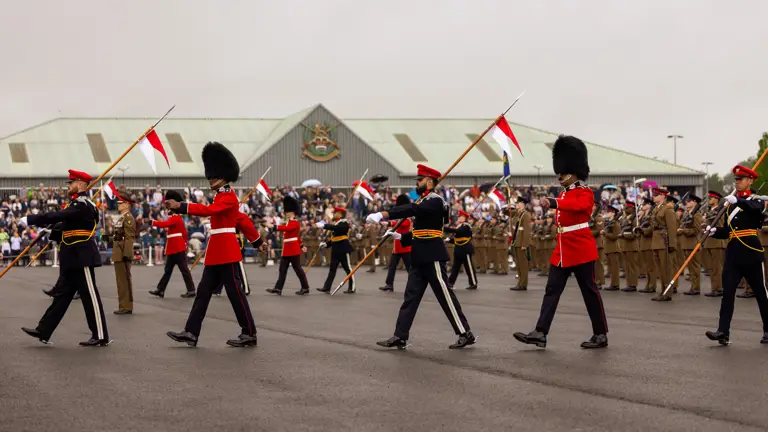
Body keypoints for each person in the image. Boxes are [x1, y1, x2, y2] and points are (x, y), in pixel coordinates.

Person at [164, 142, 266, 348]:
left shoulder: (227, 196)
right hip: (217, 251)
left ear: (222, 176)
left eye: (212, 175)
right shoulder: (222, 195)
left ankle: (249, 332)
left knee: (235, 293)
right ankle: (191, 332)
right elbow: (243, 220)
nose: (210, 179)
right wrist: (258, 242)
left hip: (226, 251)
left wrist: (181, 206)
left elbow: (208, 211)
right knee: (203, 292)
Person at [513, 135, 608, 349]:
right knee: (551, 290)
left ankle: (600, 333)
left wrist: (554, 202)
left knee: (589, 292)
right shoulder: (565, 194)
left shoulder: (584, 193)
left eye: (563, 172)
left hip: (581, 248)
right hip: (564, 249)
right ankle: (540, 332)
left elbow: (576, 206)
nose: (559, 176)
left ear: (574, 172)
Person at [367, 164, 475, 350]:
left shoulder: (435, 201)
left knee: (445, 296)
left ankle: (465, 333)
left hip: (432, 255)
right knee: (410, 297)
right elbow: (422, 229)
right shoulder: (424, 201)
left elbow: (414, 211)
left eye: (420, 180)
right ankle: (400, 336)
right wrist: (402, 237)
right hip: (419, 255)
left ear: (430, 181)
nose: (417, 183)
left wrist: (383, 214)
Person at [20, 169, 109, 346]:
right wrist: (52, 230)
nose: (69, 186)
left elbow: (60, 217)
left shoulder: (83, 205)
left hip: (82, 255)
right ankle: (43, 330)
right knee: (61, 296)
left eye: (72, 183)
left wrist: (32, 219)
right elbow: (66, 225)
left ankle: (100, 335)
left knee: (90, 296)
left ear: (82, 185)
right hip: (71, 257)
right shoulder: (75, 205)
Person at [704, 165, 768, 345]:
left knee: (761, 294)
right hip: (733, 253)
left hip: (752, 252)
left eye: (741, 179)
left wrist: (737, 202)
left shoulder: (758, 200)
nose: (737, 182)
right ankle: (723, 332)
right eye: (736, 180)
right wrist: (715, 231)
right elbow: (729, 231)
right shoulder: (730, 204)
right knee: (728, 293)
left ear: (750, 181)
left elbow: (755, 210)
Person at [149, 190, 196, 299]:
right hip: (173, 248)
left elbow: (165, 224)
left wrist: (153, 222)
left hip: (177, 248)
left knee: (184, 270)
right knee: (168, 271)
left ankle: (191, 290)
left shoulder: (176, 218)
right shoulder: (176, 218)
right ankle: (160, 290)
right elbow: (184, 233)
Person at [266, 196, 311, 296]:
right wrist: (302, 245)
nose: (286, 213)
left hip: (293, 250)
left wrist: (274, 227)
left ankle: (305, 287)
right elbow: (297, 237)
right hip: (287, 249)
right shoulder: (289, 222)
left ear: (292, 212)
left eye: (288, 212)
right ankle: (278, 288)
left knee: (298, 269)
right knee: (282, 269)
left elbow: (288, 229)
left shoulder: (294, 223)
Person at [315, 206, 356, 294]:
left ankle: (352, 287)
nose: (333, 214)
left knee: (348, 269)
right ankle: (327, 287)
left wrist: (325, 225)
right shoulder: (336, 223)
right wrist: (326, 244)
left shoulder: (344, 223)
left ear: (340, 214)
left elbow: (338, 229)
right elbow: (335, 238)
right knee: (332, 269)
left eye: (335, 213)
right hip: (335, 249)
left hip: (343, 249)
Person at [379, 194, 413, 292]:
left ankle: (414, 284)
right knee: (392, 267)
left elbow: (399, 224)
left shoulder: (407, 219)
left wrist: (389, 223)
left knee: (409, 268)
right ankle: (389, 284)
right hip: (397, 248)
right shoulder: (401, 218)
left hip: (405, 247)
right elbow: (396, 223)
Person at [112, 193, 136, 314]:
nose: (118, 205)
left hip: (122, 252)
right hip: (118, 251)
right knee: (120, 281)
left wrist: (127, 254)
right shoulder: (122, 217)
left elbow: (129, 237)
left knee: (124, 280)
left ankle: (126, 306)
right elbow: (118, 235)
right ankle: (123, 305)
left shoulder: (128, 218)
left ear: (126, 205)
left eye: (120, 203)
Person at [445, 210, 478, 290]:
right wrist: (449, 240)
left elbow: (460, 232)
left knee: (469, 267)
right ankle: (450, 283)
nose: (458, 218)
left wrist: (445, 229)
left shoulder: (466, 226)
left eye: (461, 217)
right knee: (455, 268)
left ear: (464, 218)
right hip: (458, 249)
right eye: (459, 217)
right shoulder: (459, 226)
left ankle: (473, 283)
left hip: (465, 249)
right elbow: (458, 238)